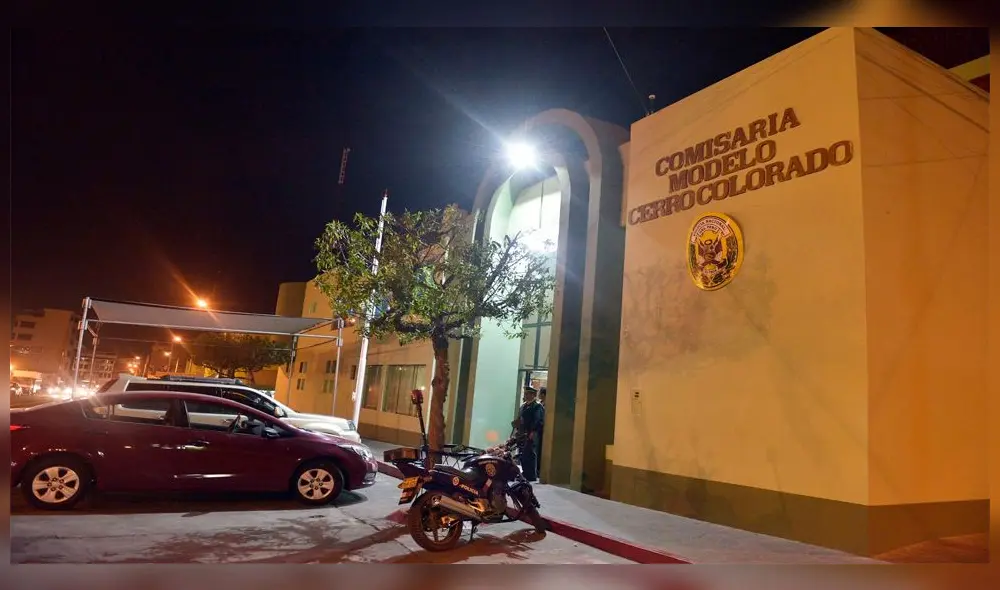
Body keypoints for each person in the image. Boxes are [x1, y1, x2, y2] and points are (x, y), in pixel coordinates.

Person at [513, 385, 545, 482]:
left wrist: (533, 432)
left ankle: (531, 475)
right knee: (523, 454)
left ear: (533, 395)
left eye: (528, 394)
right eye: (525, 394)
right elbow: (520, 419)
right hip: (522, 433)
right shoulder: (523, 406)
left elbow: (538, 420)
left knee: (530, 454)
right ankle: (525, 473)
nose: (526, 395)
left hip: (531, 433)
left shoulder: (537, 406)